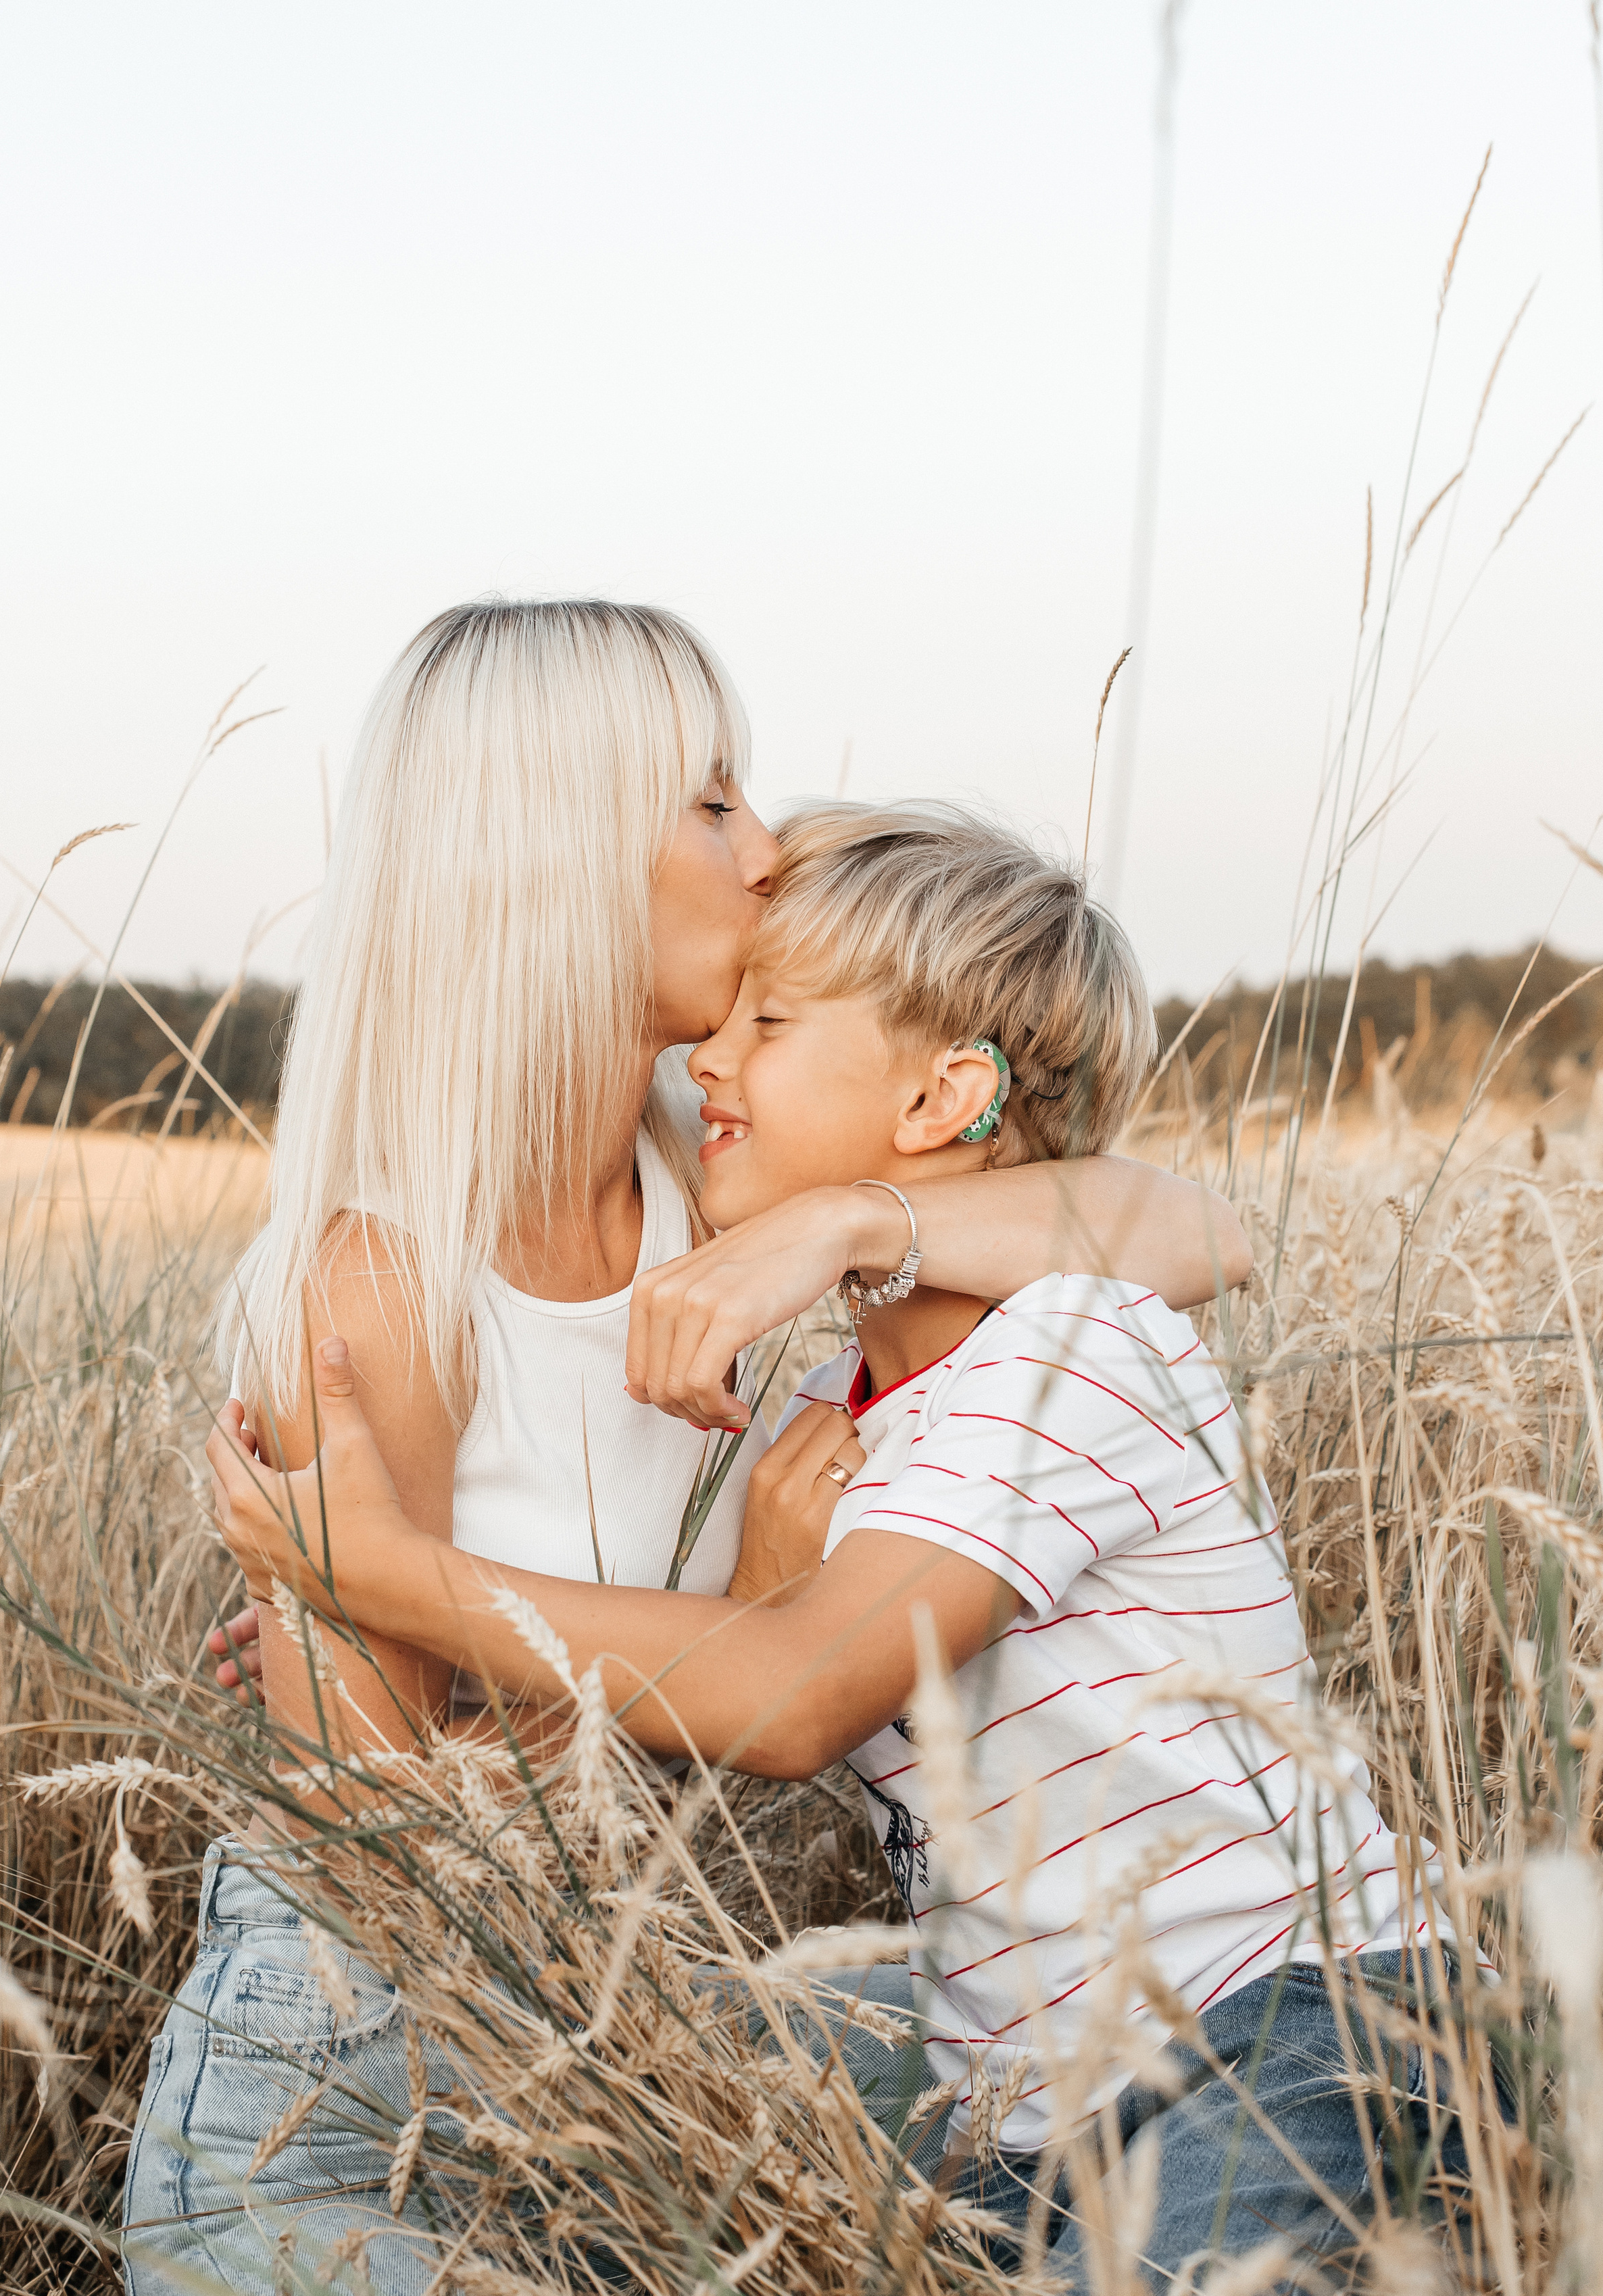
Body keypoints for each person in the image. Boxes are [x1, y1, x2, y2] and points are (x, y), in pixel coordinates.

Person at [122, 599, 1247, 2295]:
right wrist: (738, 1634)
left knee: (1131, 2039)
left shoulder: (705, 1179)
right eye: (712, 799)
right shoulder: (376, 1280)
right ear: (563, 857)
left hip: (575, 2020)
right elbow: (407, 1875)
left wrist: (843, 1227)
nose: (769, 842)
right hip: (341, 2097)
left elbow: (1193, 1231)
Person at [212, 801, 1475, 2291]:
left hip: (1279, 2035)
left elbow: (792, 1692)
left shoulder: (1074, 1350)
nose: (707, 1059)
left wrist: (368, 1569)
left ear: (943, 1098)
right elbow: (710, 1658)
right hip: (1012, 2109)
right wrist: (442, 1631)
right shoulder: (827, 1414)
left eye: (772, 1020)